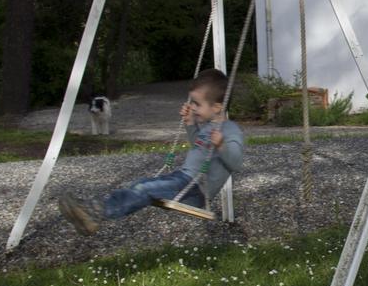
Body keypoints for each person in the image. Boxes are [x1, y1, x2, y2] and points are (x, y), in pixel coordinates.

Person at [58, 69, 244, 235]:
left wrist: (222, 146)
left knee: (143, 189)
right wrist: (190, 125)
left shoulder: (230, 130)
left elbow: (236, 163)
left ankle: (96, 212)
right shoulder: (208, 126)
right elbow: (199, 147)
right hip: (183, 180)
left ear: (217, 107)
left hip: (196, 190)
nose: (192, 107)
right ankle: (92, 210)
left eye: (197, 103)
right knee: (140, 183)